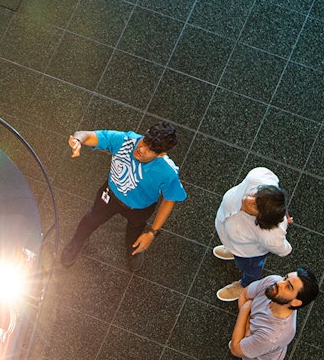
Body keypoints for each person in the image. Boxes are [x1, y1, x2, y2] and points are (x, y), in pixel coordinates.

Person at [61, 122, 186, 272]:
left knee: (134, 234)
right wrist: (78, 140)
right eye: (144, 141)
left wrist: (152, 233)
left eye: (150, 149)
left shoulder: (168, 172)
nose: (141, 149)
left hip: (140, 208)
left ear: (161, 154)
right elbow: (87, 135)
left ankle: (132, 252)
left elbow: (169, 199)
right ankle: (77, 241)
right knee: (92, 219)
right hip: (110, 195)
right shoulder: (124, 140)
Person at [229, 269, 319, 360]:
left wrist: (245, 310)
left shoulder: (273, 335)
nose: (279, 282)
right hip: (256, 348)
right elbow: (244, 295)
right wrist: (247, 332)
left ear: (295, 303)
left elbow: (235, 349)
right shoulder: (273, 282)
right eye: (285, 277)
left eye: (288, 286)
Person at [213, 167, 292, 302]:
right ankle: (231, 249)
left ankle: (245, 284)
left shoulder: (269, 234)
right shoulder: (257, 178)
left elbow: (283, 249)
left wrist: (282, 222)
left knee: (250, 268)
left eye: (255, 205)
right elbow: (273, 181)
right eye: (256, 194)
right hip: (232, 239)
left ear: (262, 217)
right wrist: (283, 211)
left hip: (247, 254)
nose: (248, 198)